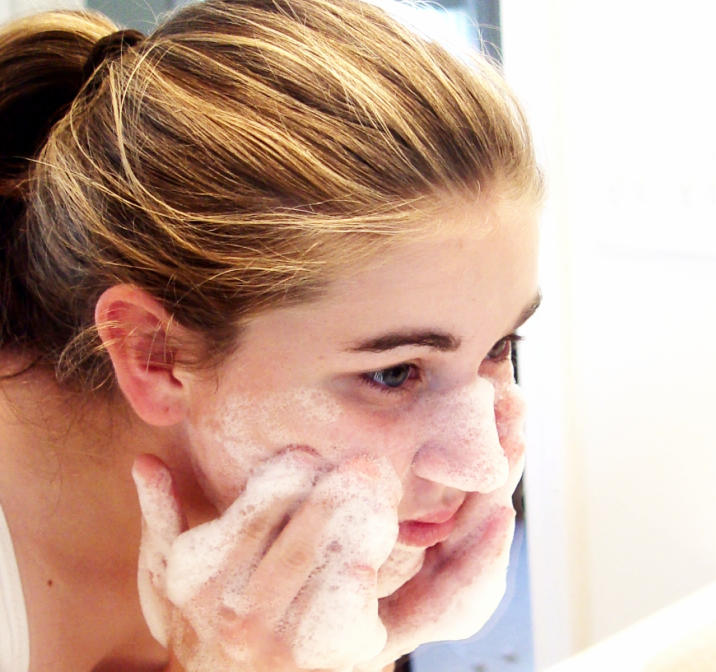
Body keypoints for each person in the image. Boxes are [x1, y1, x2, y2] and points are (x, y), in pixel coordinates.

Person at [0, 0, 542, 669]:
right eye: (395, 373)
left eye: (499, 348)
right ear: (155, 355)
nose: (484, 463)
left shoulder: (304, 561)